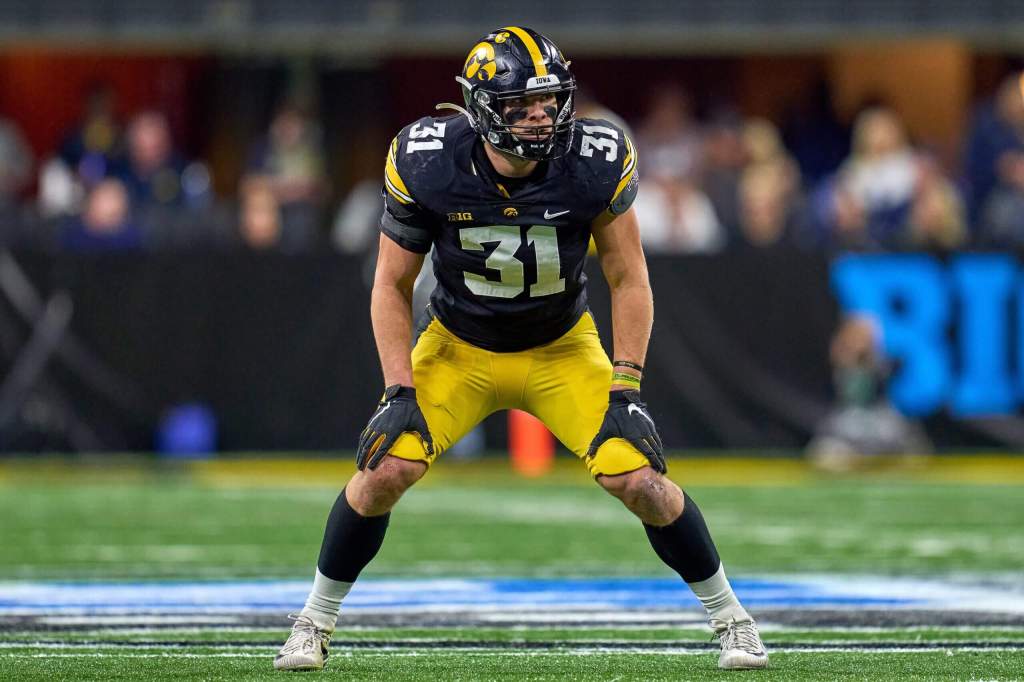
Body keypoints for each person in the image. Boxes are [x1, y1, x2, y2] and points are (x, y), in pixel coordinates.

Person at [274, 27, 768, 672]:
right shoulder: (429, 160)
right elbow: (390, 285)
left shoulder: (592, 158)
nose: (541, 116)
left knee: (641, 480)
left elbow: (629, 277)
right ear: (482, 109)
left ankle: (733, 620)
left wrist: (627, 388)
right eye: (521, 105)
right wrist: (398, 389)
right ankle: (313, 622)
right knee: (383, 472)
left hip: (561, 347)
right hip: (458, 345)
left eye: (549, 101)